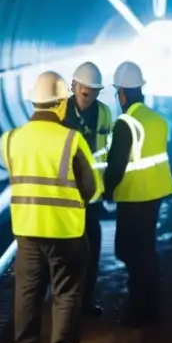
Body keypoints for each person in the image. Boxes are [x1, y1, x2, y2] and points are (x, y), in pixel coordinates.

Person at [0, 71, 96, 343]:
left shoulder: (11, 139)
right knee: (66, 292)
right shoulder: (71, 138)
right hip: (65, 231)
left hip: (26, 231)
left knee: (27, 291)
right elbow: (90, 187)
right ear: (59, 105)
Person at [101, 61, 172, 327]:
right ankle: (151, 307)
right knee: (145, 251)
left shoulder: (126, 123)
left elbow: (117, 163)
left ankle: (140, 311)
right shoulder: (156, 119)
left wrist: (106, 191)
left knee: (129, 251)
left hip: (133, 196)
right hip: (155, 194)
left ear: (122, 92)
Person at [62, 61, 114, 318]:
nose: (89, 96)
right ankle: (66, 307)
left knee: (91, 255)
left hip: (92, 199)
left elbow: (107, 151)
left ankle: (85, 303)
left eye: (94, 91)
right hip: (65, 199)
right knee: (65, 258)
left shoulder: (104, 113)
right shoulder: (59, 113)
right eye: (85, 91)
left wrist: (108, 187)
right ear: (74, 87)